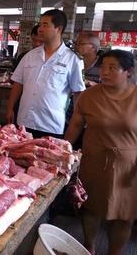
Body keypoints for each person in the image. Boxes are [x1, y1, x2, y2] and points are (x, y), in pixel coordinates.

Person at [64, 49, 137, 255]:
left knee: (125, 215)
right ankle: (89, 246)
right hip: (94, 160)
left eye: (113, 68)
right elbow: (75, 126)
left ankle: (114, 252)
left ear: (128, 72)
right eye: (103, 67)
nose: (104, 72)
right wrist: (61, 152)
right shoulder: (89, 96)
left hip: (129, 167)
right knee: (89, 207)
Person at [6, 9, 85, 138]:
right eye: (40, 24)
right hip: (24, 122)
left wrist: (76, 122)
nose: (40, 29)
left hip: (51, 125)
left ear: (58, 29)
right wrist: (10, 108)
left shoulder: (72, 60)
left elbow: (78, 92)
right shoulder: (30, 56)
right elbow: (18, 83)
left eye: (45, 25)